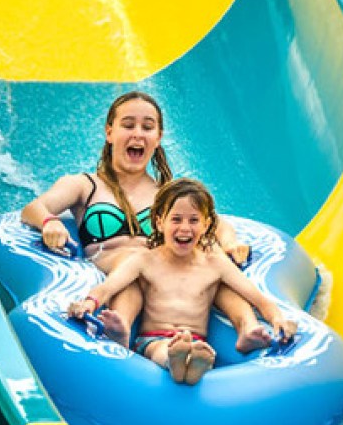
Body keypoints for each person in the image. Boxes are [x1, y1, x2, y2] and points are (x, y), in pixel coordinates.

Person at [21, 90, 271, 352]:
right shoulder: (85, 185)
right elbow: (33, 208)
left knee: (212, 260)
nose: (138, 133)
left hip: (159, 272)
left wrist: (230, 243)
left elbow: (215, 224)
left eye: (147, 127)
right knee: (132, 263)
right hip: (112, 264)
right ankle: (120, 331)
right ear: (109, 133)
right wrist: (49, 222)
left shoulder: (167, 194)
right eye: (128, 125)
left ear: (158, 138)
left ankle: (248, 327)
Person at [68, 179, 297, 385]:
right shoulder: (144, 260)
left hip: (197, 342)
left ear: (206, 225)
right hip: (153, 340)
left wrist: (278, 320)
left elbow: (257, 298)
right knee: (165, 350)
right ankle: (175, 360)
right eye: (176, 219)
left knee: (199, 352)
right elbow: (109, 287)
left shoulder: (215, 264)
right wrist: (89, 303)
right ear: (159, 223)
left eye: (194, 220)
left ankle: (190, 363)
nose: (185, 228)